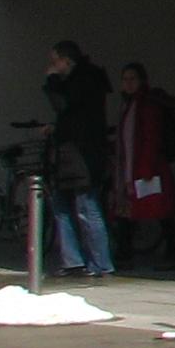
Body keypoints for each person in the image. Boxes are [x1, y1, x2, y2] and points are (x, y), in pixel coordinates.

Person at [42, 38, 115, 278]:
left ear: (66, 60)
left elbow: (64, 106)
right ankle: (74, 260)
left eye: (55, 62)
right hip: (72, 153)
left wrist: (51, 81)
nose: (51, 67)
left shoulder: (82, 81)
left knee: (86, 207)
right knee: (63, 206)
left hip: (83, 154)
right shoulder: (82, 80)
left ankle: (100, 263)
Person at [110, 60, 175, 271]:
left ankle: (171, 252)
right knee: (132, 211)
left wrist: (145, 168)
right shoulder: (129, 105)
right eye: (125, 79)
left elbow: (150, 137)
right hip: (136, 168)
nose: (128, 83)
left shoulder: (146, 105)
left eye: (132, 79)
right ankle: (125, 252)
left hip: (147, 168)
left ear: (141, 80)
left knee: (159, 213)